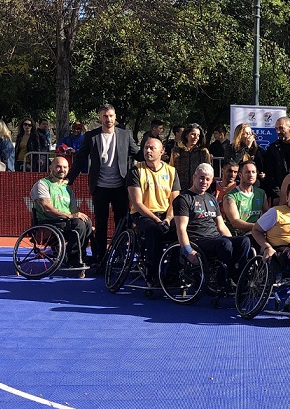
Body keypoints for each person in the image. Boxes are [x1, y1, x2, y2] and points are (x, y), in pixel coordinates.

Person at [66, 104, 140, 269]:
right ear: (100, 118)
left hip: (120, 186)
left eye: (111, 116)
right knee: (101, 223)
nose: (109, 119)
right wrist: (69, 179)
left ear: (115, 117)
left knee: (122, 222)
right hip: (100, 186)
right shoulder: (92, 136)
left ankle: (121, 255)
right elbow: (80, 159)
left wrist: (156, 155)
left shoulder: (125, 135)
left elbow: (138, 153)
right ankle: (100, 256)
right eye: (105, 116)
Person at [172, 163, 251, 284]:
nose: (204, 181)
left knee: (244, 241)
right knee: (225, 243)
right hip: (198, 239)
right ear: (194, 178)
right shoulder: (184, 199)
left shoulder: (211, 199)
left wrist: (234, 243)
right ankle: (225, 279)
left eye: (208, 179)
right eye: (201, 178)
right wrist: (187, 250)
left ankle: (239, 277)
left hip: (215, 238)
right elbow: (181, 228)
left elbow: (221, 226)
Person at [127, 137, 181, 284]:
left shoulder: (171, 171)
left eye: (152, 148)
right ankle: (154, 272)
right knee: (153, 231)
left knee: (182, 230)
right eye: (145, 148)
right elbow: (137, 203)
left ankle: (173, 272)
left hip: (166, 214)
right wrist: (157, 221)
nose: (148, 151)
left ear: (162, 152)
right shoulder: (136, 170)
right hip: (143, 214)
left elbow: (174, 202)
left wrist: (168, 219)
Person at [30, 156, 92, 267]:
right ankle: (71, 258)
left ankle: (81, 255)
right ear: (51, 168)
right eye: (58, 167)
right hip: (48, 222)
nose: (62, 170)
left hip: (64, 222)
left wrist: (80, 217)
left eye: (65, 167)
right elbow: (47, 208)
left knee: (86, 222)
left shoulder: (67, 188)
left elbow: (74, 209)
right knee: (78, 224)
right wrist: (71, 216)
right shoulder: (42, 184)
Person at [262, 116, 290, 205]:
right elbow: (270, 174)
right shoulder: (273, 148)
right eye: (276, 129)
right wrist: (277, 195)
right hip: (280, 194)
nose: (278, 131)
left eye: (281, 128)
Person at [222, 160, 267, 236]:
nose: (251, 175)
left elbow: (266, 215)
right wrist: (258, 227)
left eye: (253, 172)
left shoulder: (261, 193)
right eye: (247, 172)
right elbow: (235, 222)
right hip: (238, 235)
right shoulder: (230, 197)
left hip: (257, 233)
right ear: (240, 175)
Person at [169, 123, 212, 191]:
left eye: (198, 135)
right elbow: (171, 169)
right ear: (186, 135)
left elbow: (208, 171)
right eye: (193, 134)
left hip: (198, 188)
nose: (195, 137)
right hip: (179, 188)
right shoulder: (176, 150)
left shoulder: (203, 152)